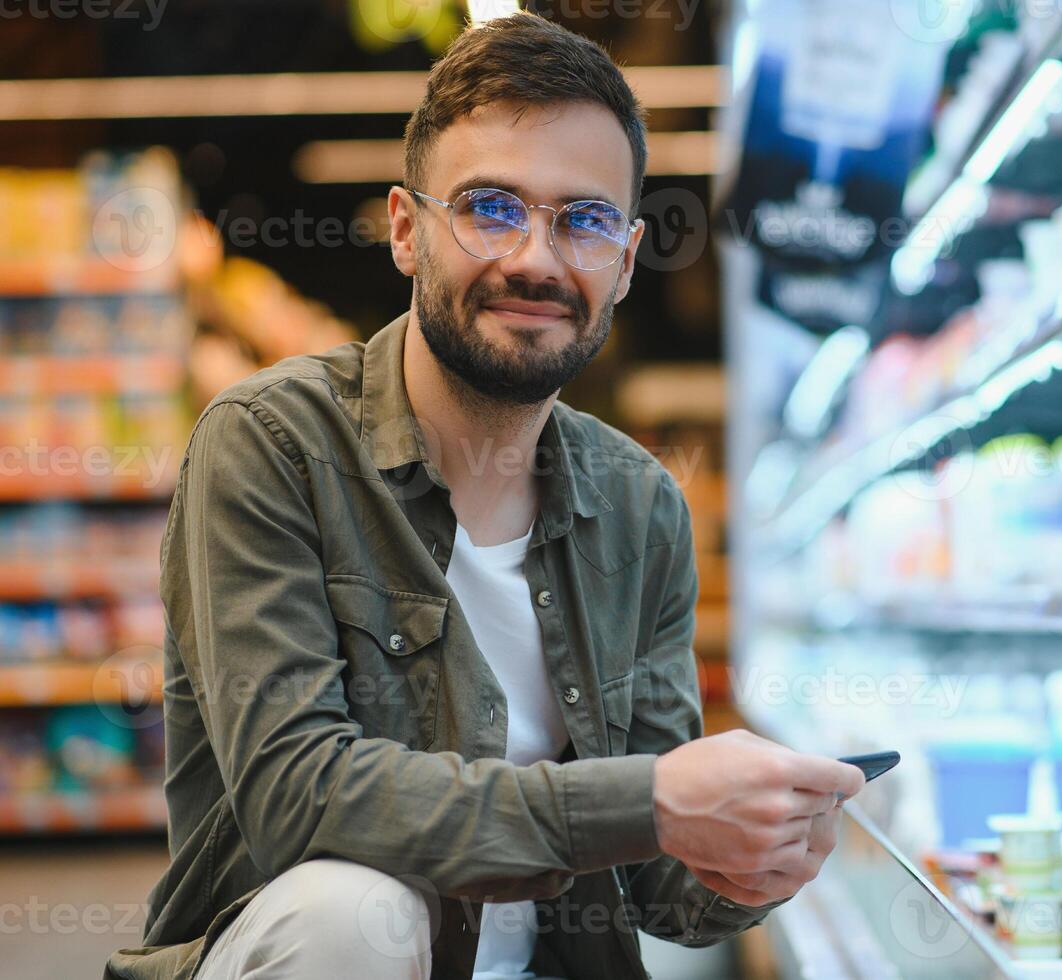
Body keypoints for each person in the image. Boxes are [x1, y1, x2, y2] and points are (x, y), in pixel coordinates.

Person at [104, 13, 864, 980]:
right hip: (317, 952)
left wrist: (756, 858)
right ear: (406, 231)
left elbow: (659, 894)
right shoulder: (273, 443)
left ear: (626, 262)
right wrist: (652, 800)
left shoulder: (639, 506)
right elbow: (295, 794)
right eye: (490, 208)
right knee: (352, 911)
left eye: (582, 220)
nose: (536, 260)